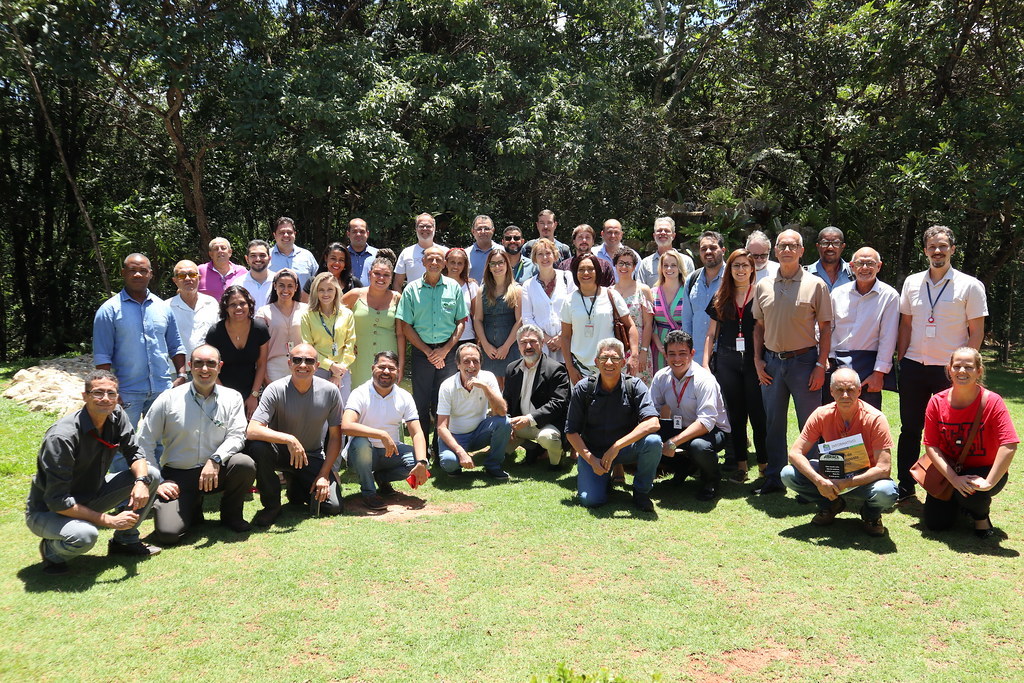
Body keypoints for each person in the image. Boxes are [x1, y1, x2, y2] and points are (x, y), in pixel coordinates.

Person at [26, 370, 162, 575]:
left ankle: (125, 541)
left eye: (111, 393)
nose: (105, 399)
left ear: (118, 397)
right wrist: (109, 520)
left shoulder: (116, 415)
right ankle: (51, 552)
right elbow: (58, 500)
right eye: (98, 393)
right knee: (85, 535)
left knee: (151, 474)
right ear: (85, 396)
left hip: (92, 494)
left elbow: (135, 452)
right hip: (49, 510)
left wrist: (141, 482)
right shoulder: (62, 437)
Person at [896, 225, 987, 501]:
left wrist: (965, 370)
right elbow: (906, 325)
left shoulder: (970, 285)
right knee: (910, 429)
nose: (938, 251)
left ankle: (948, 487)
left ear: (952, 250)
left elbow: (977, 331)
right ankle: (905, 486)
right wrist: (901, 359)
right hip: (914, 366)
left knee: (950, 433)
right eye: (932, 247)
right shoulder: (912, 282)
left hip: (950, 372)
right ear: (925, 251)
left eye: (943, 246)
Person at [139, 345, 255, 544]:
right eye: (199, 363)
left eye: (211, 364)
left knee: (244, 464)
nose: (204, 369)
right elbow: (143, 441)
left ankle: (231, 516)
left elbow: (237, 436)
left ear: (220, 367)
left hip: (217, 470)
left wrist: (216, 459)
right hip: (178, 475)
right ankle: (192, 507)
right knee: (168, 534)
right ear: (190, 366)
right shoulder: (168, 399)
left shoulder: (232, 397)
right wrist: (156, 481)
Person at [752, 228, 833, 495]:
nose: (787, 250)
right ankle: (774, 477)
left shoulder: (815, 284)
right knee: (773, 423)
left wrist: (821, 365)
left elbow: (826, 327)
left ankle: (809, 480)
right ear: (775, 250)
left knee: (809, 424)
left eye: (792, 246)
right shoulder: (763, 285)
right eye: (782, 245)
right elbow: (758, 327)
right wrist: (757, 360)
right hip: (772, 363)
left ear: (801, 251)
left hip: (805, 363)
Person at [93, 253, 186, 469]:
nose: (138, 274)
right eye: (132, 269)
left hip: (162, 389)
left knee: (162, 443)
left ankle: (159, 490)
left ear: (150, 274)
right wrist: (110, 392)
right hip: (126, 392)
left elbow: (176, 346)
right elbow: (102, 357)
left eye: (143, 270)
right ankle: (124, 497)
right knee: (119, 445)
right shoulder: (108, 311)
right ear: (123, 273)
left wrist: (181, 374)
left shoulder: (163, 308)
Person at [781, 368, 899, 536]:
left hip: (864, 478)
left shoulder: (875, 419)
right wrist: (819, 480)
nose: (845, 395)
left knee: (886, 492)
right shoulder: (821, 415)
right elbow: (794, 453)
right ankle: (829, 505)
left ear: (859, 391)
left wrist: (846, 483)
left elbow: (884, 468)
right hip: (831, 475)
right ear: (831, 391)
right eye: (840, 390)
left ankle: (871, 515)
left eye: (850, 389)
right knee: (788, 474)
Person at [921, 348, 1017, 538]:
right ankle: (960, 503)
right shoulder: (937, 402)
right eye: (957, 366)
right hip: (950, 469)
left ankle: (981, 517)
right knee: (935, 524)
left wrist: (989, 482)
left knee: (975, 491)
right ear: (949, 370)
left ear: (979, 371)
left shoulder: (992, 401)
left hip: (984, 469)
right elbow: (931, 445)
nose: (962, 371)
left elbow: (1009, 444)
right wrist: (954, 479)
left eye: (969, 367)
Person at [246, 343, 344, 525]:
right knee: (258, 447)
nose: (303, 365)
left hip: (311, 455)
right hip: (279, 453)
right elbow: (252, 430)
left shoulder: (331, 392)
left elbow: (336, 437)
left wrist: (324, 474)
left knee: (332, 506)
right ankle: (271, 506)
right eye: (297, 360)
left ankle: (295, 486)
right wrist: (288, 439)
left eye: (309, 361)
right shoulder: (275, 389)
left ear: (317, 365)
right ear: (289, 363)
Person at [565, 338, 662, 511]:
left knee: (653, 442)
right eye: (603, 358)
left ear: (623, 362)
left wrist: (617, 446)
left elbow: (653, 423)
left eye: (615, 358)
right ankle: (603, 480)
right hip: (594, 453)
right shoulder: (583, 388)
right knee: (591, 501)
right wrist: (591, 459)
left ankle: (641, 492)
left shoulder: (634, 385)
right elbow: (571, 432)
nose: (609, 363)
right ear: (596, 362)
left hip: (625, 450)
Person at [395, 245, 469, 454]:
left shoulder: (454, 288)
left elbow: (461, 322)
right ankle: (422, 448)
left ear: (444, 264)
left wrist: (445, 350)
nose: (434, 263)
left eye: (438, 259)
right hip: (421, 353)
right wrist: (428, 352)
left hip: (448, 352)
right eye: (430, 259)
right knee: (421, 401)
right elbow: (405, 326)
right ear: (423, 263)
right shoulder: (411, 289)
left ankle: (440, 446)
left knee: (443, 400)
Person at [703, 249, 767, 483]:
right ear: (729, 269)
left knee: (759, 416)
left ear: (753, 269)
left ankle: (764, 467)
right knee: (735, 417)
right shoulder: (721, 296)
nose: (741, 270)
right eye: (736, 265)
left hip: (755, 363)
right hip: (727, 362)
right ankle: (741, 467)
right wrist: (706, 366)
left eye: (745, 265)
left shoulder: (761, 294)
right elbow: (711, 334)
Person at [342, 351, 429, 510]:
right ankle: (369, 492)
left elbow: (417, 433)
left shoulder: (404, 396)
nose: (386, 372)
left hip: (390, 452)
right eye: (382, 367)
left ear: (398, 371)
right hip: (360, 455)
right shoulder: (360, 393)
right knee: (361, 442)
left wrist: (422, 462)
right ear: (373, 368)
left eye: (391, 368)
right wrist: (380, 434)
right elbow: (346, 426)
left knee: (421, 458)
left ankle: (381, 478)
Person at [651, 331, 731, 501]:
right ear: (665, 355)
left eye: (682, 354)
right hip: (682, 426)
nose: (677, 359)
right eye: (672, 354)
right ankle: (685, 467)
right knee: (649, 438)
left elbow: (706, 422)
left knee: (699, 446)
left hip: (713, 430)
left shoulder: (704, 379)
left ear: (692, 354)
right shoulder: (661, 377)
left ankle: (711, 480)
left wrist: (673, 442)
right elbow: (650, 410)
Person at [827, 246, 898, 410]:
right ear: (852, 266)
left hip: (868, 368)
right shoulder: (837, 294)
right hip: (835, 364)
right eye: (860, 263)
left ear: (879, 266)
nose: (865, 268)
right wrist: (824, 358)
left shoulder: (889, 296)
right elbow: (825, 328)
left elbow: (888, 338)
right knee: (833, 418)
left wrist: (879, 374)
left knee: (866, 420)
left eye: (870, 263)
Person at [436, 343, 511, 480]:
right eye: (466, 361)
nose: (471, 366)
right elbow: (441, 427)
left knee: (504, 422)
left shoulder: (487, 378)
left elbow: (502, 411)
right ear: (458, 365)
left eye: (475, 361)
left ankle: (493, 465)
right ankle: (455, 459)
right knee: (450, 464)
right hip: (455, 436)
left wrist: (485, 388)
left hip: (479, 433)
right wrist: (460, 452)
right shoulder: (447, 386)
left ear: (481, 363)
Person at [560, 253, 637, 386]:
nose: (586, 273)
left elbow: (630, 326)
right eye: (581, 269)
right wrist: (570, 368)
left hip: (610, 365)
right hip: (580, 367)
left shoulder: (611, 295)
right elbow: (565, 336)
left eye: (590, 269)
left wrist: (634, 355)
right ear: (575, 273)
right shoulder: (569, 300)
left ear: (597, 271)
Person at [503, 324, 570, 469]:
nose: (528, 346)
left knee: (547, 438)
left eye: (533, 341)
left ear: (542, 343)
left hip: (548, 424)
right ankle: (534, 448)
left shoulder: (556, 369)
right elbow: (506, 400)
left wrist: (529, 419)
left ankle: (556, 462)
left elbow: (558, 403)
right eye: (523, 342)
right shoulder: (512, 368)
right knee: (498, 432)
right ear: (518, 345)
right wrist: (506, 423)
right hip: (522, 424)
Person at [204, 285, 269, 419]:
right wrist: (223, 396)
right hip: (221, 391)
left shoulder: (260, 329)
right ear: (225, 308)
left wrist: (254, 396)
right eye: (233, 304)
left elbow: (262, 363)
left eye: (242, 303)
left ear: (249, 304)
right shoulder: (215, 332)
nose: (238, 308)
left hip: (252, 392)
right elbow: (210, 367)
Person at [342, 256, 405, 389]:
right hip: (358, 357)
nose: (381, 278)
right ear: (370, 274)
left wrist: (401, 364)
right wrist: (344, 341)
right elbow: (333, 318)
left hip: (388, 359)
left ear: (391, 278)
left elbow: (400, 334)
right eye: (377, 273)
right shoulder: (354, 295)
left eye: (386, 275)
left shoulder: (397, 298)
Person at [300, 272, 357, 402]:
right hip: (317, 368)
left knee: (340, 412)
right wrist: (331, 365)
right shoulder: (307, 316)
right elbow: (308, 347)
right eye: (321, 290)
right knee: (318, 411)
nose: (326, 294)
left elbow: (350, 344)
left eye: (330, 289)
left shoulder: (347, 314)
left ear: (336, 291)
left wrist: (338, 372)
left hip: (343, 370)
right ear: (315, 292)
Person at [521, 238, 575, 361]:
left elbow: (575, 310)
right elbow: (527, 318)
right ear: (534, 258)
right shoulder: (528, 285)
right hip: (541, 346)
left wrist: (561, 337)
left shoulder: (567, 278)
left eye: (548, 253)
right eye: (540, 254)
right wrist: (545, 338)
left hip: (567, 342)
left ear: (555, 255)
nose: (544, 258)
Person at [474, 249, 523, 385]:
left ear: (507, 264)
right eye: (493, 264)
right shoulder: (482, 290)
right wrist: (485, 345)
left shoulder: (517, 289)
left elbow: (519, 321)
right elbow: (477, 319)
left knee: (510, 388)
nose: (497, 267)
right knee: (491, 387)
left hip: (510, 346)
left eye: (500, 263)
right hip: (489, 347)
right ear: (488, 267)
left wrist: (506, 346)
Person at [255, 268, 308, 382]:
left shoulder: (306, 310)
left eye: (290, 286)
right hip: (274, 366)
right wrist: (264, 375)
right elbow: (259, 345)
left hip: (301, 364)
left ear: (296, 287)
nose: (285, 289)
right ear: (275, 286)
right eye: (281, 285)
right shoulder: (264, 312)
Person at [682, 230, 726, 365]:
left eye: (713, 248)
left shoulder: (732, 279)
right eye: (703, 249)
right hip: (697, 355)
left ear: (723, 250)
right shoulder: (692, 280)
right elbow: (687, 319)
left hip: (725, 354)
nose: (708, 252)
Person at [612, 246, 654, 384]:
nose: (624, 267)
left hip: (639, 347)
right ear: (615, 265)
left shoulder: (643, 290)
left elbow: (648, 324)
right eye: (621, 263)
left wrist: (643, 351)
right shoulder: (609, 291)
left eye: (628, 263)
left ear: (634, 266)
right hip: (617, 347)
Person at [167, 259, 219, 357]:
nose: (187, 278)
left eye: (192, 275)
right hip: (177, 370)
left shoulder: (212, 303)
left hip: (207, 368)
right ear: (175, 281)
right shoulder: (166, 307)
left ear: (199, 278)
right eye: (182, 276)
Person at [648, 248, 689, 372]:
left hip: (683, 345)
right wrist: (660, 345)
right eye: (665, 265)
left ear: (679, 268)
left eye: (673, 265)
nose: (669, 269)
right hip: (659, 347)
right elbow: (650, 323)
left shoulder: (688, 291)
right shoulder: (653, 292)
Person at [394, 212, 446, 290]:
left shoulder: (445, 252)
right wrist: (404, 302)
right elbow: (397, 284)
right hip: (414, 301)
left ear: (434, 228)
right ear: (416, 229)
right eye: (421, 226)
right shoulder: (406, 253)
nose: (425, 229)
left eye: (428, 226)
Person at [638, 216, 694, 287]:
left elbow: (692, 288)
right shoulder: (645, 264)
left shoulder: (686, 261)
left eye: (667, 230)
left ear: (673, 236)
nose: (663, 233)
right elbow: (640, 291)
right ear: (654, 235)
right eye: (659, 230)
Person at [269, 217, 319, 288]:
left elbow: (318, 281)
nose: (286, 235)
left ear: (295, 234)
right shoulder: (266, 257)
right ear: (275, 235)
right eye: (282, 232)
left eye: (289, 232)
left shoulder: (307, 256)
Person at [444, 247, 480, 343]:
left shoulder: (471, 286)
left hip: (467, 337)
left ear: (464, 265)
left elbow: (477, 316)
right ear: (446, 263)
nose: (455, 266)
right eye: (452, 262)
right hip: (443, 339)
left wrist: (479, 338)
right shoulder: (437, 284)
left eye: (460, 263)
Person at [197, 236, 247, 300]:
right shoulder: (200, 271)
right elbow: (185, 290)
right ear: (211, 254)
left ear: (230, 252)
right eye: (216, 249)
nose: (220, 251)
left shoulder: (242, 271)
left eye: (223, 248)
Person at [804, 227, 853, 292]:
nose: (830, 248)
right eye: (825, 243)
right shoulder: (805, 274)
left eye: (836, 243)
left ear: (842, 247)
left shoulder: (854, 273)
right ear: (818, 246)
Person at [466, 214, 504, 282]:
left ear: (493, 230)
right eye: (479, 229)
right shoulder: (465, 254)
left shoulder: (503, 251)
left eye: (486, 228)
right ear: (473, 231)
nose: (483, 232)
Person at [241, 239, 277, 310]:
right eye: (253, 255)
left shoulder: (278, 281)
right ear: (247, 259)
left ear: (269, 258)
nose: (258, 259)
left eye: (262, 255)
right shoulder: (238, 284)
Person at [346, 217, 378, 284]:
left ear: (367, 234)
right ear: (348, 234)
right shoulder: (342, 255)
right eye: (354, 231)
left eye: (362, 232)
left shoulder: (378, 255)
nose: (358, 234)